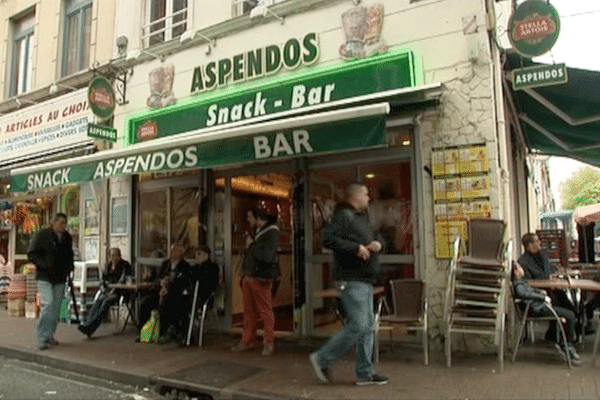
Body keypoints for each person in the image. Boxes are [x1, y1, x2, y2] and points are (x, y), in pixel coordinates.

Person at [309, 183, 388, 386]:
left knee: (367, 327)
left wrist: (378, 243)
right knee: (359, 325)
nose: (369, 198)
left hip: (365, 278)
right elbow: (327, 239)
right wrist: (356, 248)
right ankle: (322, 358)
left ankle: (365, 373)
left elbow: (374, 236)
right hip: (351, 278)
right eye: (365, 194)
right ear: (355, 197)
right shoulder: (342, 216)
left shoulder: (362, 217)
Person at [232, 207, 280, 357]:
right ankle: (248, 340)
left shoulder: (271, 233)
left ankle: (268, 342)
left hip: (261, 277)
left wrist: (252, 245)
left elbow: (267, 256)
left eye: (249, 217)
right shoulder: (260, 231)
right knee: (249, 311)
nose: (248, 220)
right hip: (250, 275)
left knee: (265, 311)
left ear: (258, 218)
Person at [512, 263, 580, 364]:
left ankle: (559, 339)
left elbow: (529, 292)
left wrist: (540, 293)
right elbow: (523, 293)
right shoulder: (518, 284)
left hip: (537, 307)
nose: (523, 269)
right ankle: (568, 345)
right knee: (570, 315)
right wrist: (542, 297)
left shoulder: (521, 282)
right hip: (537, 309)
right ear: (516, 272)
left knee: (563, 307)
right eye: (520, 268)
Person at [518, 233, 578, 341]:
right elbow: (528, 283)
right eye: (536, 241)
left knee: (565, 301)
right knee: (565, 307)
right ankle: (566, 339)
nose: (539, 243)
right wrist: (547, 283)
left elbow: (551, 270)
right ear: (529, 245)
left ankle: (566, 331)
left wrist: (554, 277)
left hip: (551, 291)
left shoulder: (543, 256)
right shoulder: (523, 261)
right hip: (538, 298)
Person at [27, 213, 74, 350]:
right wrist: (43, 265)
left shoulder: (66, 238)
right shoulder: (42, 235)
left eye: (64, 223)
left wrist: (70, 267)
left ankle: (49, 335)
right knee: (47, 304)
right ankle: (41, 336)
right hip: (45, 276)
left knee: (55, 307)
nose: (63, 226)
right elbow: (31, 253)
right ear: (53, 222)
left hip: (59, 277)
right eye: (60, 223)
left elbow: (69, 255)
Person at [139, 242, 192, 344]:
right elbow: (156, 279)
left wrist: (169, 288)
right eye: (171, 250)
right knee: (144, 302)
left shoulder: (185, 266)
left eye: (175, 251)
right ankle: (143, 331)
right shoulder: (165, 264)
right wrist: (161, 283)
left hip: (177, 295)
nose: (172, 253)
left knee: (167, 303)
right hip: (160, 292)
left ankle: (166, 331)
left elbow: (185, 284)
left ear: (181, 253)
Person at [77, 248, 133, 338]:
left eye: (116, 255)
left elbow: (125, 280)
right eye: (112, 256)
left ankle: (91, 328)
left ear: (120, 256)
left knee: (105, 303)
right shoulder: (107, 266)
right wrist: (104, 290)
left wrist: (113, 290)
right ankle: (87, 324)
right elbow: (102, 281)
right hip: (107, 292)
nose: (115, 258)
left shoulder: (125, 265)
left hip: (119, 293)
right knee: (98, 302)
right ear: (109, 257)